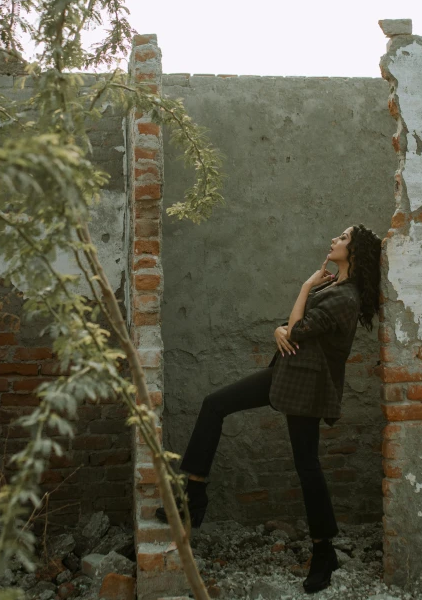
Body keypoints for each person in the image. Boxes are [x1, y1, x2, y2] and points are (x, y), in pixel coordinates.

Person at [156, 223, 382, 594]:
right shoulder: (335, 286)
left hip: (307, 386)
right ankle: (192, 497)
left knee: (307, 466)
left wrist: (303, 292)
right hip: (288, 374)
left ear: (355, 252)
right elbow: (294, 326)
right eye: (337, 235)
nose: (333, 239)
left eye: (342, 238)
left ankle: (324, 553)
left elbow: (298, 330)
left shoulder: (345, 297)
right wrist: (281, 328)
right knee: (215, 405)